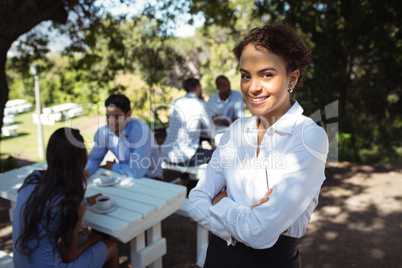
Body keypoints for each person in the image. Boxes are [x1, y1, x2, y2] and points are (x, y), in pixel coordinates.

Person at [188, 24, 329, 268]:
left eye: (267, 74)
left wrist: (220, 201)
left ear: (291, 78)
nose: (253, 87)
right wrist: (247, 219)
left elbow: (258, 232)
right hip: (218, 257)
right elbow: (196, 199)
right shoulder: (236, 130)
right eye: (246, 75)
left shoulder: (309, 137)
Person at [12, 127, 119, 267]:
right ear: (80, 159)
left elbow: (49, 203)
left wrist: (85, 201)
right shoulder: (73, 201)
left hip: (21, 264)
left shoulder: (33, 179)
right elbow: (68, 256)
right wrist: (91, 239)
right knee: (110, 246)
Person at [85, 93, 163, 179]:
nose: (111, 121)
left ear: (128, 114)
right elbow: (94, 159)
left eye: (116, 117)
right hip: (126, 177)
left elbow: (137, 172)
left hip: (152, 180)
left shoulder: (141, 131)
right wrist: (86, 171)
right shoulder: (104, 132)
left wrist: (113, 166)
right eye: (108, 116)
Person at [161, 78, 215, 187]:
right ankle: (209, 189)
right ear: (198, 87)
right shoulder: (199, 104)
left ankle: (183, 185)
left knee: (190, 147)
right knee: (217, 154)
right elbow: (211, 131)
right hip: (184, 157)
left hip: (167, 153)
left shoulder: (175, 102)